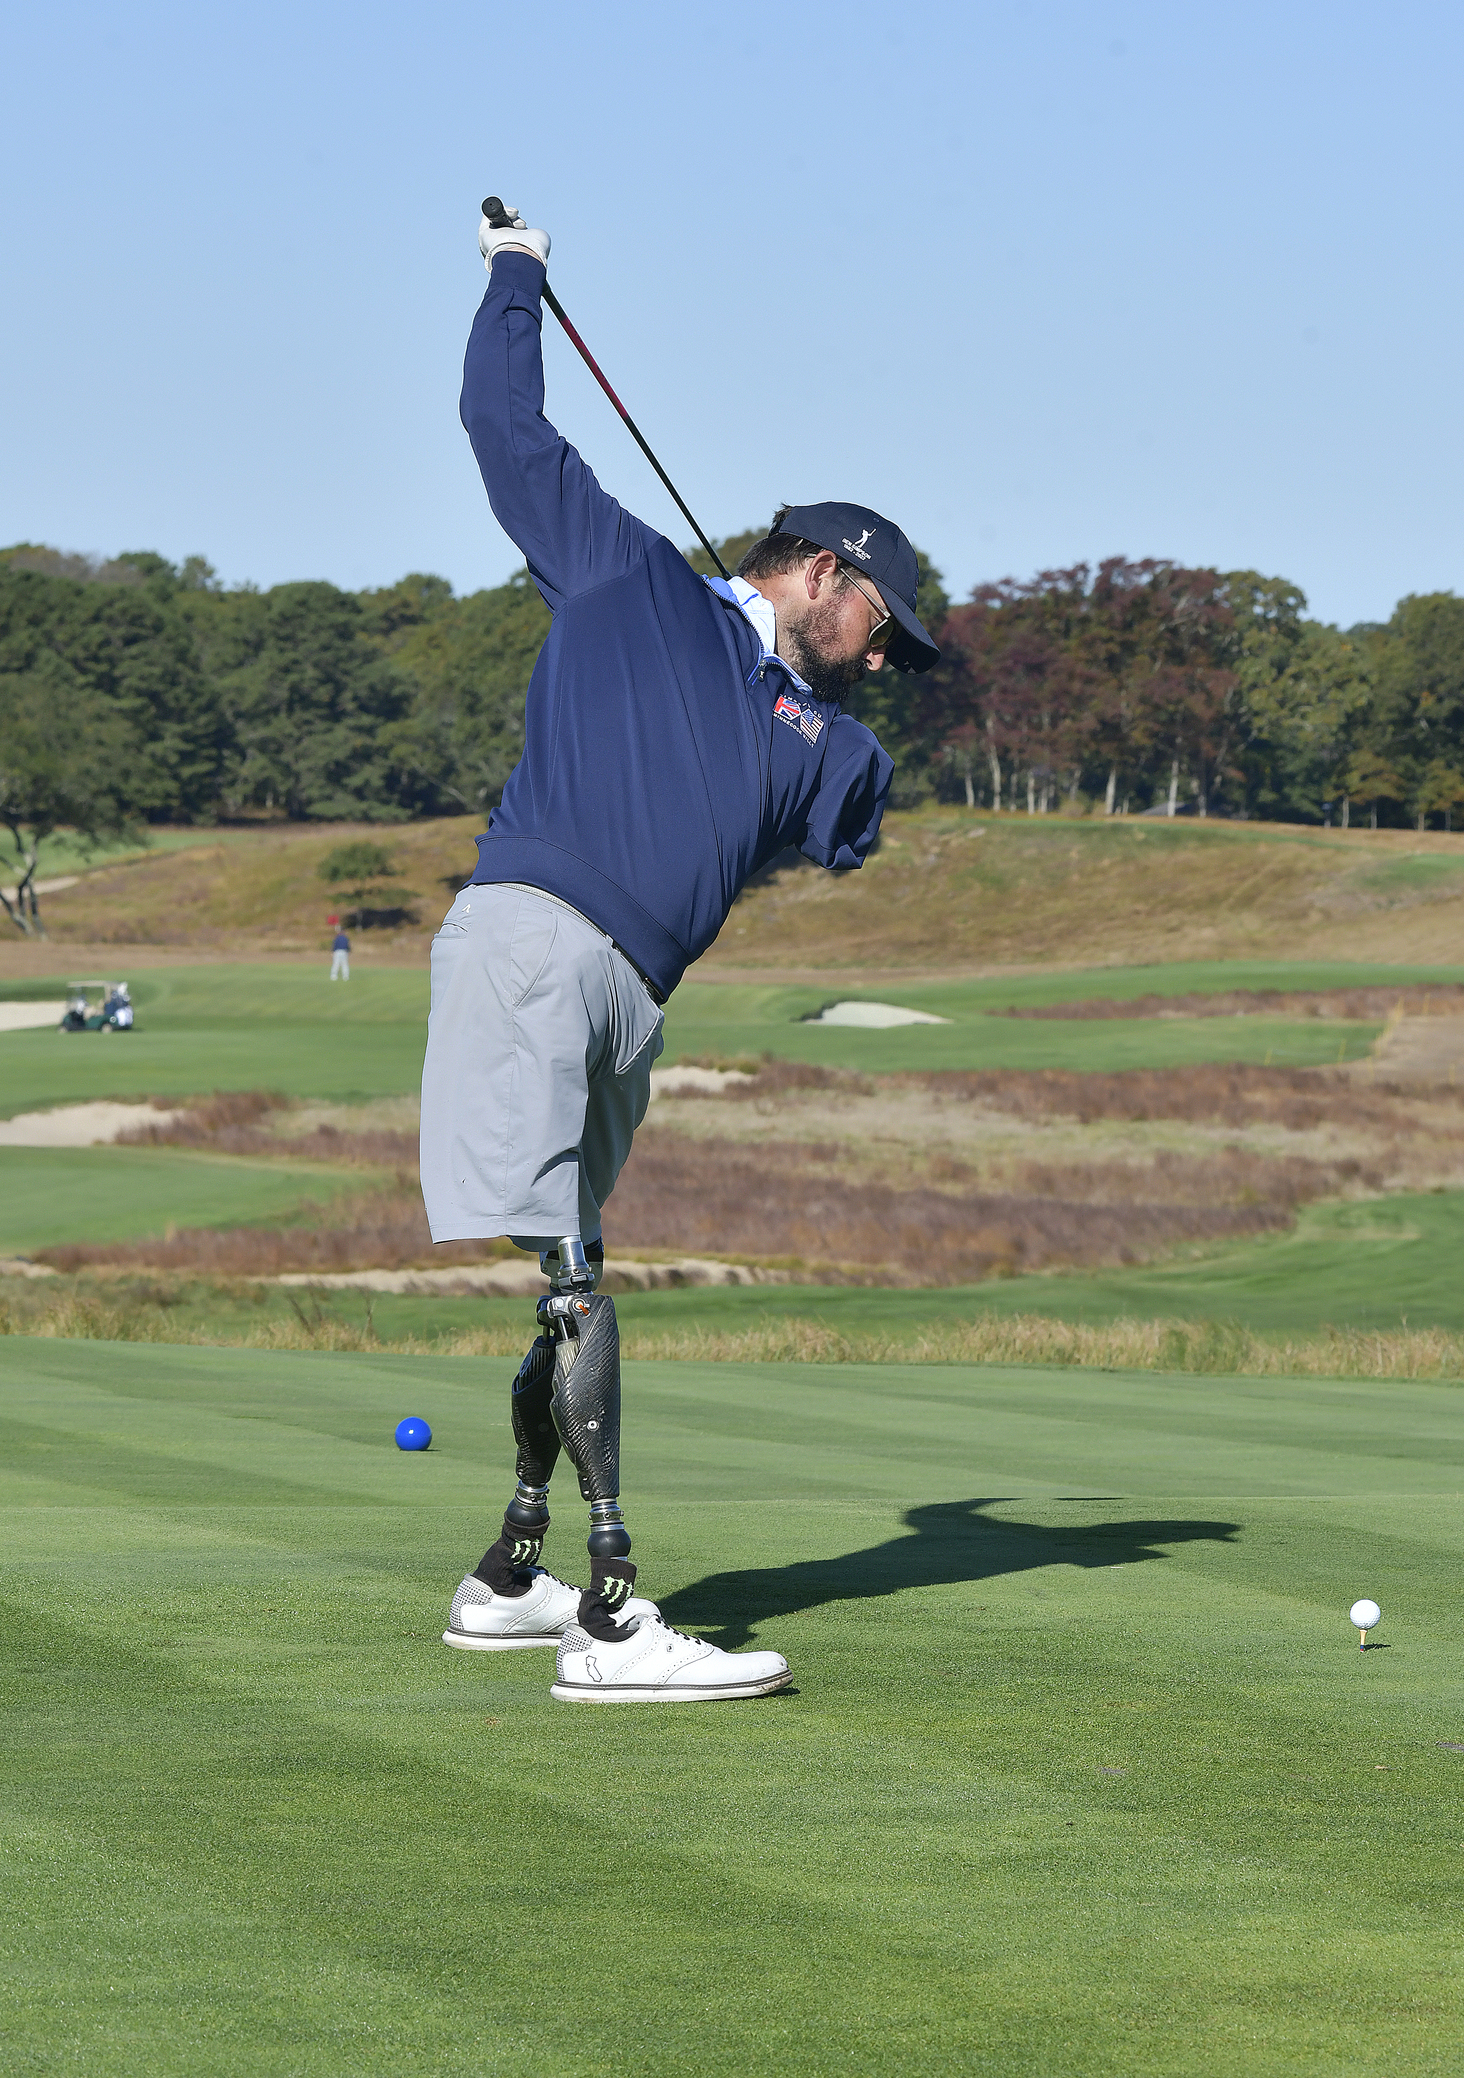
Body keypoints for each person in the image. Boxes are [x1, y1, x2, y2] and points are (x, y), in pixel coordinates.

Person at [420, 199, 940, 1703]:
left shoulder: (819, 738)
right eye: (885, 629)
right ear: (829, 574)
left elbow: (853, 813)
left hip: (630, 996)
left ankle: (508, 1574)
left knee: (567, 1281)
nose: (891, 662)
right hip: (534, 937)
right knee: (578, 1281)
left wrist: (795, 700)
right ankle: (608, 1613)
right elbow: (498, 422)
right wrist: (517, 279)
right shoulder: (627, 574)